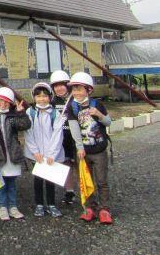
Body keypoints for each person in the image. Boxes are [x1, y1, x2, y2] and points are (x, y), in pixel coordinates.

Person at [65, 72, 113, 224]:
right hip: (83, 151)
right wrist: (79, 147)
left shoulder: (97, 104)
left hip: (99, 150)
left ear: (89, 90)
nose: (76, 93)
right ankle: (90, 208)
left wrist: (99, 114)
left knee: (102, 181)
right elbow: (74, 129)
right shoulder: (72, 107)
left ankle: (104, 209)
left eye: (80, 89)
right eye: (74, 89)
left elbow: (108, 122)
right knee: (85, 180)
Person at [0, 87, 31, 221]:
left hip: (12, 155)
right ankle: (2, 207)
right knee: (0, 184)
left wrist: (21, 113)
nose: (2, 104)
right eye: (0, 100)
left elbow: (25, 125)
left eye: (6, 102)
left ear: (10, 104)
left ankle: (13, 206)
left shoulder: (13, 116)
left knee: (11, 183)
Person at [24, 82, 64, 217]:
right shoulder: (30, 112)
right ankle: (39, 204)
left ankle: (52, 204)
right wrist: (35, 152)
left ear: (50, 97)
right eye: (39, 96)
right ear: (34, 97)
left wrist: (52, 154)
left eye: (45, 96)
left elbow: (57, 135)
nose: (42, 99)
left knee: (50, 179)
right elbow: (28, 133)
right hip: (36, 155)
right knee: (38, 179)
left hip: (51, 154)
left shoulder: (55, 113)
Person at [49, 70, 84, 204]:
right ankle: (69, 191)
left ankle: (85, 191)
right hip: (62, 139)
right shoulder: (52, 102)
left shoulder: (76, 99)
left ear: (67, 85)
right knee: (65, 165)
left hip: (77, 139)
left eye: (61, 85)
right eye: (56, 86)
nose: (59, 88)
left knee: (80, 165)